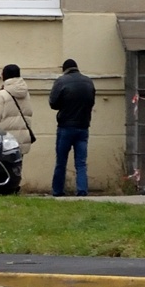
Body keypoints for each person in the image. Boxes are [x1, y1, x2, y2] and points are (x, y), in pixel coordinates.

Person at [49, 58, 97, 196]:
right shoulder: (88, 81)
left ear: (64, 69)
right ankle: (82, 190)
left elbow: (53, 103)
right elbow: (91, 102)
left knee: (61, 161)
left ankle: (58, 190)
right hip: (83, 126)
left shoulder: (61, 81)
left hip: (65, 126)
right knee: (81, 162)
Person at [0, 63, 36, 156]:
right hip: (23, 138)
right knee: (18, 167)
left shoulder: (2, 94)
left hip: (7, 141)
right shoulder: (26, 93)